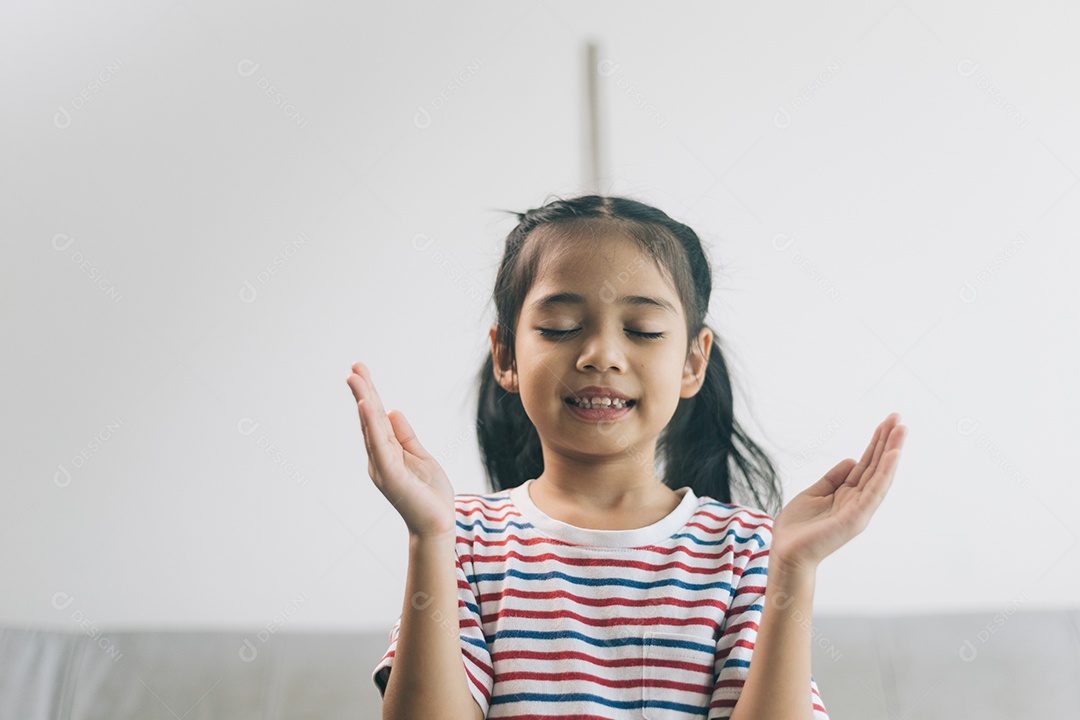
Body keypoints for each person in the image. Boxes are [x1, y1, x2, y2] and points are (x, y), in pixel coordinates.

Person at [347, 194, 908, 720]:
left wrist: (795, 569)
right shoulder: (461, 540)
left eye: (642, 330)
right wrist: (428, 535)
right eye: (560, 328)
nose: (602, 355)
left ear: (693, 362)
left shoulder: (749, 551)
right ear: (506, 354)